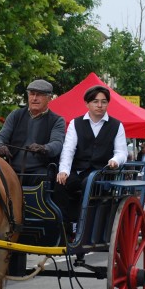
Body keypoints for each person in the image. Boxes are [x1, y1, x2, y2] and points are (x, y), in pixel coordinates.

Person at [56, 85, 128, 225]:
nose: (100, 105)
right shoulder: (75, 123)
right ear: (87, 104)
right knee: (59, 184)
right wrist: (64, 171)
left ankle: (84, 225)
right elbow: (68, 150)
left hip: (101, 172)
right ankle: (64, 226)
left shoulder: (117, 125)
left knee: (88, 184)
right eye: (95, 101)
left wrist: (115, 160)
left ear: (108, 103)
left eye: (104, 101)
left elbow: (121, 152)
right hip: (79, 171)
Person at [0, 79, 65, 178]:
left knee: (45, 177)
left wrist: (44, 148)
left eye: (39, 95)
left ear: (49, 98)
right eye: (32, 94)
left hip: (40, 170)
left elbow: (57, 144)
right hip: (11, 168)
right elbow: (0, 137)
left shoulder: (57, 120)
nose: (34, 98)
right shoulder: (15, 115)